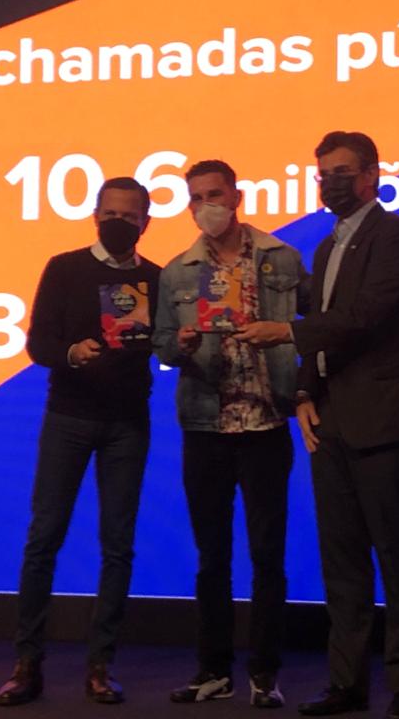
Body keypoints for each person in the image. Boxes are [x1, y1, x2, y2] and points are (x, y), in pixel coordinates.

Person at [237, 131, 399, 719]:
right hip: (332, 422)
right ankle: (347, 681)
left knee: (397, 556)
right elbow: (327, 328)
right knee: (341, 561)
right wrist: (303, 391)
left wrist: (287, 332)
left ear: (372, 175)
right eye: (324, 174)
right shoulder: (324, 248)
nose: (331, 183)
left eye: (343, 172)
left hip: (386, 419)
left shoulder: (396, 236)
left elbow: (365, 316)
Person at [0, 177, 160, 706]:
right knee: (44, 537)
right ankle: (27, 663)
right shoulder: (64, 268)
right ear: (94, 215)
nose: (118, 223)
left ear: (146, 222)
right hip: (67, 417)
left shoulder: (156, 278)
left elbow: (164, 349)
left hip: (127, 424)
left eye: (128, 216)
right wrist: (71, 353)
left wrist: (176, 342)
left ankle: (100, 665)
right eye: (109, 213)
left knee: (118, 545)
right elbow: (37, 342)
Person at [153, 159, 309, 709]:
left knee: (268, 554)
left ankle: (265, 673)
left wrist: (300, 379)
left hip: (267, 422)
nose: (206, 207)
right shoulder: (177, 272)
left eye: (214, 195)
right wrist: (181, 345)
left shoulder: (281, 257)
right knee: (211, 555)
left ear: (237, 196)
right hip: (206, 424)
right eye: (196, 198)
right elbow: (162, 344)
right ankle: (213, 670)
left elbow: (311, 328)